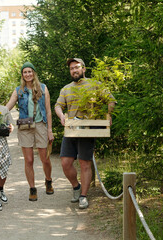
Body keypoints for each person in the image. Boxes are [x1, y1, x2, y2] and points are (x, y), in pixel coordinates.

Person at [54, 58, 116, 209]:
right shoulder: (66, 89)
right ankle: (76, 187)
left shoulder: (95, 84)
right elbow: (58, 105)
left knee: (84, 163)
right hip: (70, 130)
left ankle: (83, 196)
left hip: (88, 130)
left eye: (77, 67)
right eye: (71, 69)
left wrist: (108, 114)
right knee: (65, 163)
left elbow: (111, 100)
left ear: (84, 68)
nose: (74, 70)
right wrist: (61, 115)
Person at [6, 62, 54, 201]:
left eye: (30, 72)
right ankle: (32, 188)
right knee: (29, 160)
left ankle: (48, 180)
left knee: (45, 158)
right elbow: (8, 106)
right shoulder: (19, 90)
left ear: (34, 73)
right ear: (22, 75)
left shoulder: (43, 88)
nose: (28, 74)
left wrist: (49, 130)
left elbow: (48, 110)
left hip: (40, 125)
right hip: (25, 127)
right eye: (25, 72)